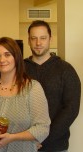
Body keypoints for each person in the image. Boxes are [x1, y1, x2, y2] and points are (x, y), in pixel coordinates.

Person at [0, 37, 51, 152]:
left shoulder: (32, 88)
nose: (2, 60)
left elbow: (42, 128)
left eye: (7, 54)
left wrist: (12, 138)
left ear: (16, 57)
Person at [24, 20, 81, 152]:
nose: (38, 43)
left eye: (43, 38)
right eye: (34, 38)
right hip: (23, 143)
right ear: (28, 40)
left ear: (51, 39)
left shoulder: (66, 70)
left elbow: (71, 109)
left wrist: (43, 138)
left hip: (55, 146)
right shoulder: (20, 69)